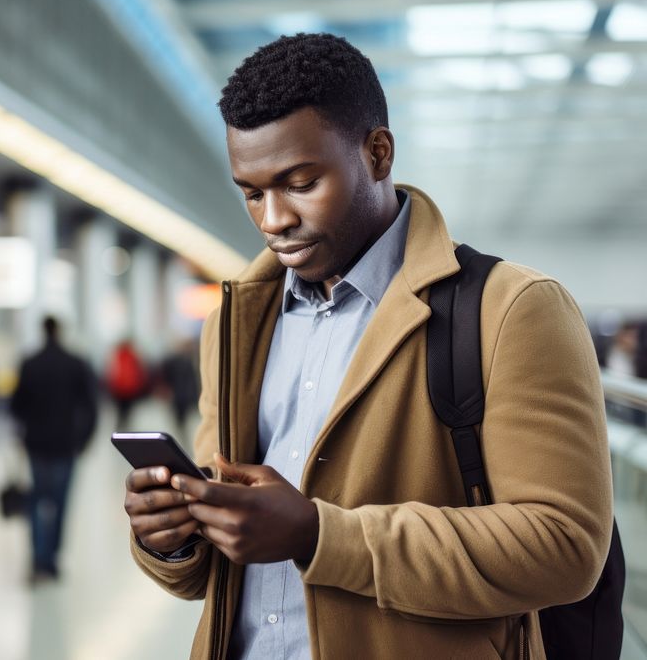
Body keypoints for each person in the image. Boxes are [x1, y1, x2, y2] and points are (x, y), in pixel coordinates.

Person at [123, 33, 613, 659]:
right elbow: (213, 573)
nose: (273, 219)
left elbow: (564, 546)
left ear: (378, 153)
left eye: (300, 182)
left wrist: (321, 536)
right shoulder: (236, 323)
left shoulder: (513, 309)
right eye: (252, 193)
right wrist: (174, 535)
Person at [10, 317, 98, 582]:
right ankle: (53, 560)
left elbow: (16, 407)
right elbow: (91, 406)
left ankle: (38, 559)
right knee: (60, 503)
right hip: (65, 444)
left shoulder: (30, 363)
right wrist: (84, 440)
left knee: (37, 501)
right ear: (59, 331)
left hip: (37, 445)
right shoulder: (75, 363)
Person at [158, 341, 200, 440]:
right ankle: (180, 431)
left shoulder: (187, 361)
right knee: (178, 417)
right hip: (177, 395)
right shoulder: (174, 361)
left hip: (182, 395)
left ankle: (181, 430)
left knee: (181, 417)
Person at [106, 339, 148, 432]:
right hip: (130, 389)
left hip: (119, 389)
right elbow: (140, 372)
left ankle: (119, 429)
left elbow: (111, 373)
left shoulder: (117, 355)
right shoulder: (133, 356)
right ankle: (125, 428)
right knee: (127, 412)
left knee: (120, 411)